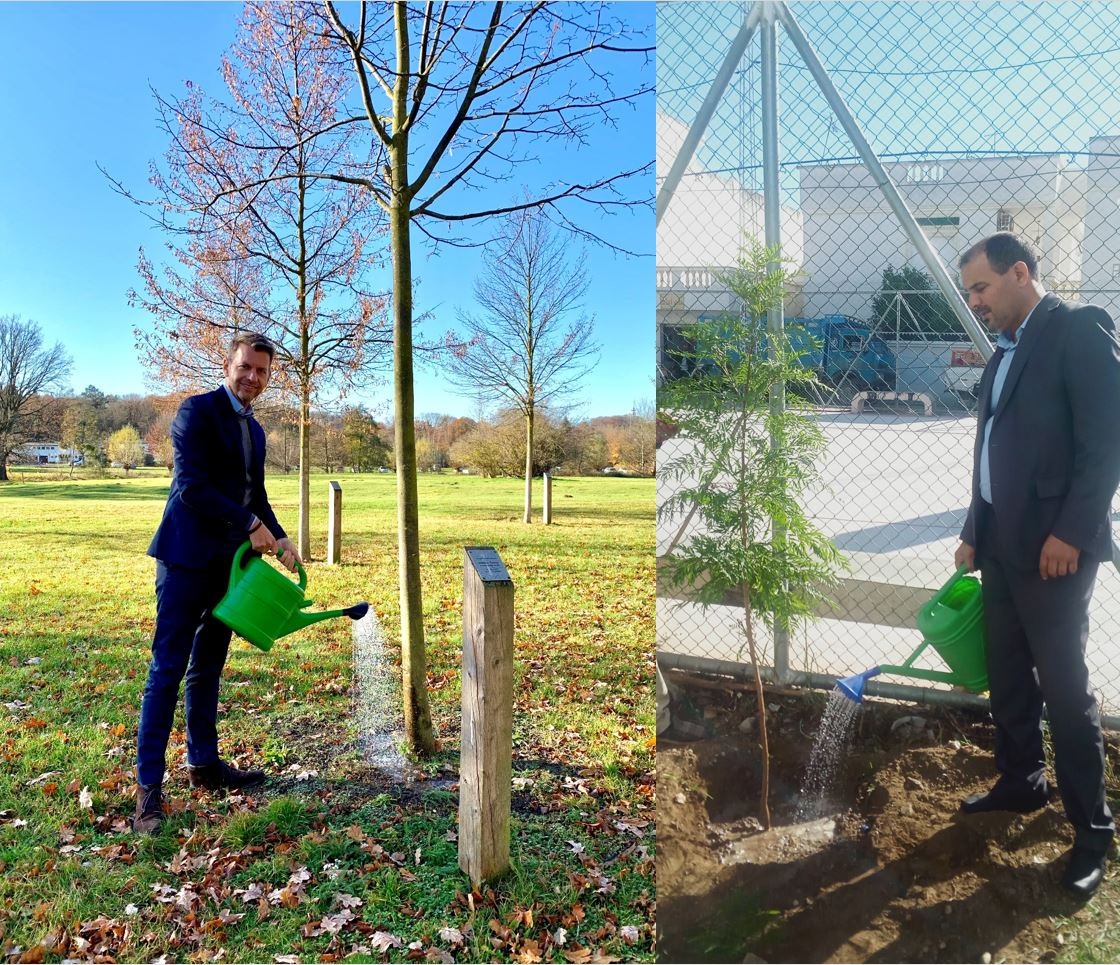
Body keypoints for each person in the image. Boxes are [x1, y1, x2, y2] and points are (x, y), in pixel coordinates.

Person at [954, 232, 1120, 897]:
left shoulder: (1077, 329)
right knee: (1007, 676)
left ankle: (1092, 833)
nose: (975, 301)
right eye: (969, 290)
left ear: (1021, 272)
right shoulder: (1003, 355)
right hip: (999, 546)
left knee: (1065, 692)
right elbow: (989, 448)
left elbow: (1107, 437)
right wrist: (974, 529)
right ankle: (1022, 782)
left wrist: (1074, 530)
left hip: (1055, 552)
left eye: (982, 287)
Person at [134, 332, 301, 834]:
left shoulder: (256, 429)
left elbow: (255, 493)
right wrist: (250, 527)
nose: (252, 377)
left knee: (207, 668)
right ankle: (148, 790)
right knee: (167, 671)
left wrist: (282, 536)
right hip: (186, 562)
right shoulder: (195, 412)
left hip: (230, 570)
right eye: (245, 367)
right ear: (228, 365)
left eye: (262, 372)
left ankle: (204, 765)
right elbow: (191, 488)